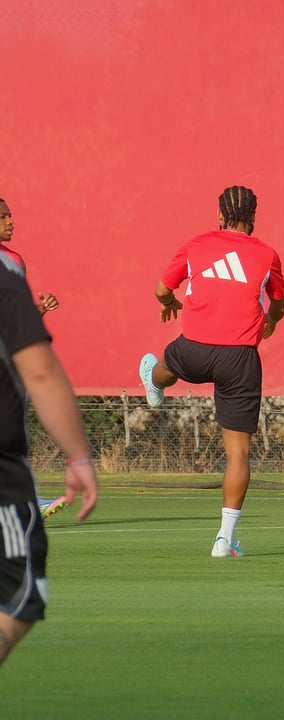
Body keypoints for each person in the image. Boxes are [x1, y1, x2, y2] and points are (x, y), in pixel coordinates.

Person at [138, 186, 284, 558]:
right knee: (238, 454)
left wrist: (170, 302)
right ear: (254, 217)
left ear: (220, 215)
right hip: (239, 359)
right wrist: (270, 320)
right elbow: (280, 305)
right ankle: (223, 539)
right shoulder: (267, 254)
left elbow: (161, 289)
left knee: (167, 364)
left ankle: (154, 380)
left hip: (194, 350)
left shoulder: (197, 245)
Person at [1, 250, 98, 666]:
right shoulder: (6, 272)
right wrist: (78, 457)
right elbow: (39, 368)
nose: (9, 222)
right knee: (21, 596)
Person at [0, 197, 70, 521]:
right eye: (3, 216)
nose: (10, 221)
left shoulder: (14, 260)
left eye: (10, 215)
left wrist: (40, 308)